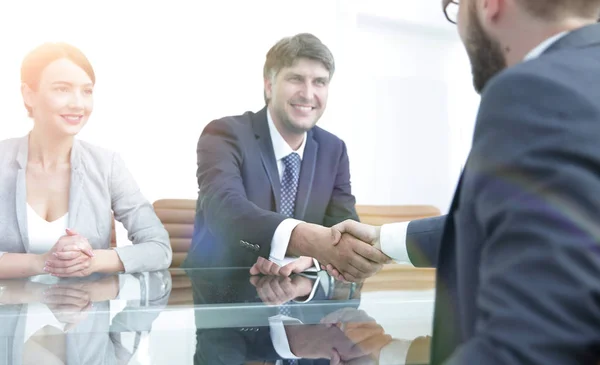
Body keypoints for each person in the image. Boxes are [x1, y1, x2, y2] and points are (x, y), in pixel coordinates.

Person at [325, 0, 600, 363]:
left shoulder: (536, 88)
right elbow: (545, 223)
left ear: (488, 4)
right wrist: (384, 240)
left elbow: (534, 343)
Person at [184, 33, 387, 280]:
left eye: (320, 82)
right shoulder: (225, 134)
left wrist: (309, 257)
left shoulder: (333, 149)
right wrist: (307, 242)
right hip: (224, 292)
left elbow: (342, 226)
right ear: (269, 85)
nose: (308, 93)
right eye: (296, 79)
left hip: (301, 299)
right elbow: (224, 211)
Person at [0, 42, 172, 280]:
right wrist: (40, 262)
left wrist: (95, 259)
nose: (78, 103)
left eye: (87, 91)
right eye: (62, 89)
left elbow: (159, 248)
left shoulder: (107, 165)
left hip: (83, 312)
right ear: (29, 94)